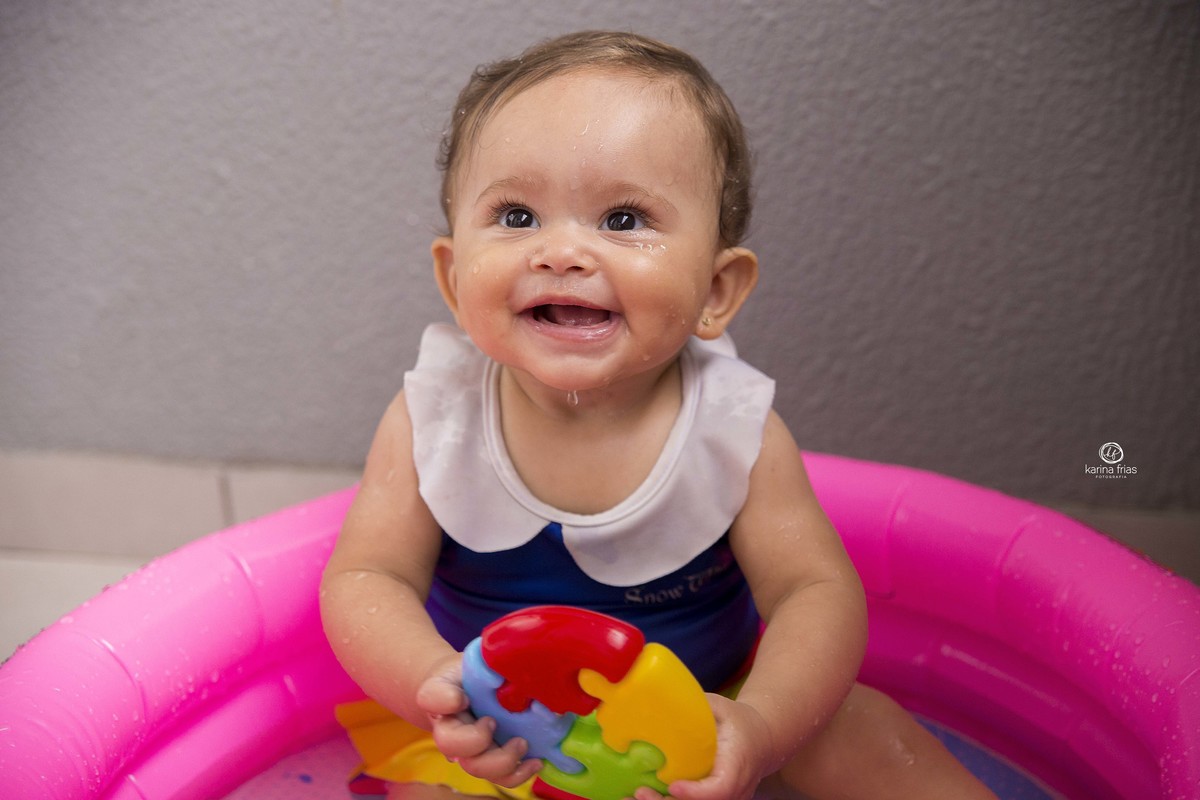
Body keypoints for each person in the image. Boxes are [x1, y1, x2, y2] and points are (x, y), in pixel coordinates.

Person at [321, 30, 996, 800]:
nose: (561, 252)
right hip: (501, 738)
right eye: (515, 217)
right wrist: (436, 686)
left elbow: (814, 591)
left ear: (715, 292)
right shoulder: (432, 420)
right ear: (452, 275)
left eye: (621, 220)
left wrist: (764, 725)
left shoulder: (730, 429)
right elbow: (367, 576)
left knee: (869, 738)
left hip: (707, 726)